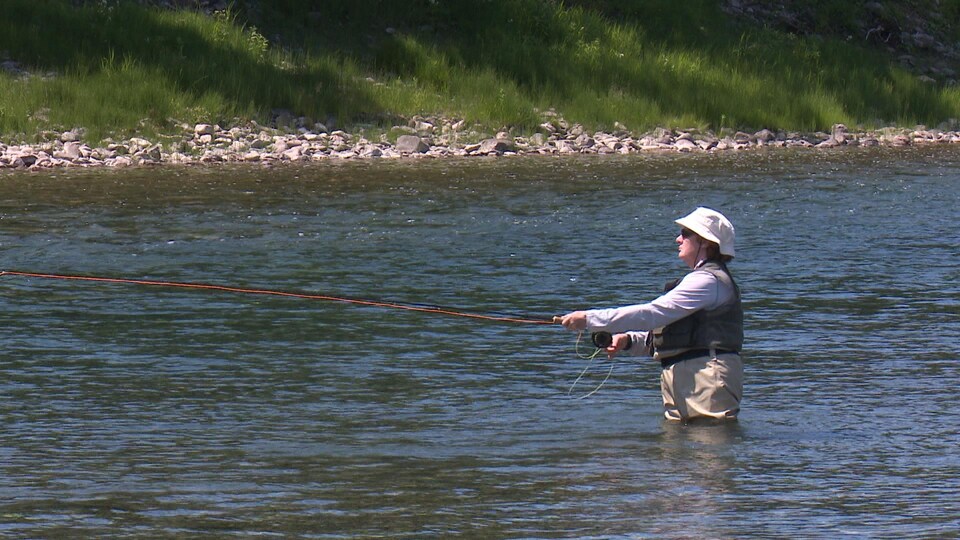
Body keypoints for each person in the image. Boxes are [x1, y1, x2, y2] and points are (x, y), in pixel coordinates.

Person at [559, 207, 743, 421]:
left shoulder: (707, 281)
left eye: (685, 234)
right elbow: (671, 334)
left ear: (705, 242)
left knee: (710, 440)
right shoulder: (700, 280)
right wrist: (628, 340)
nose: (678, 239)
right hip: (686, 378)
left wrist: (590, 319)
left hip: (706, 376)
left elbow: (653, 313)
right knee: (676, 442)